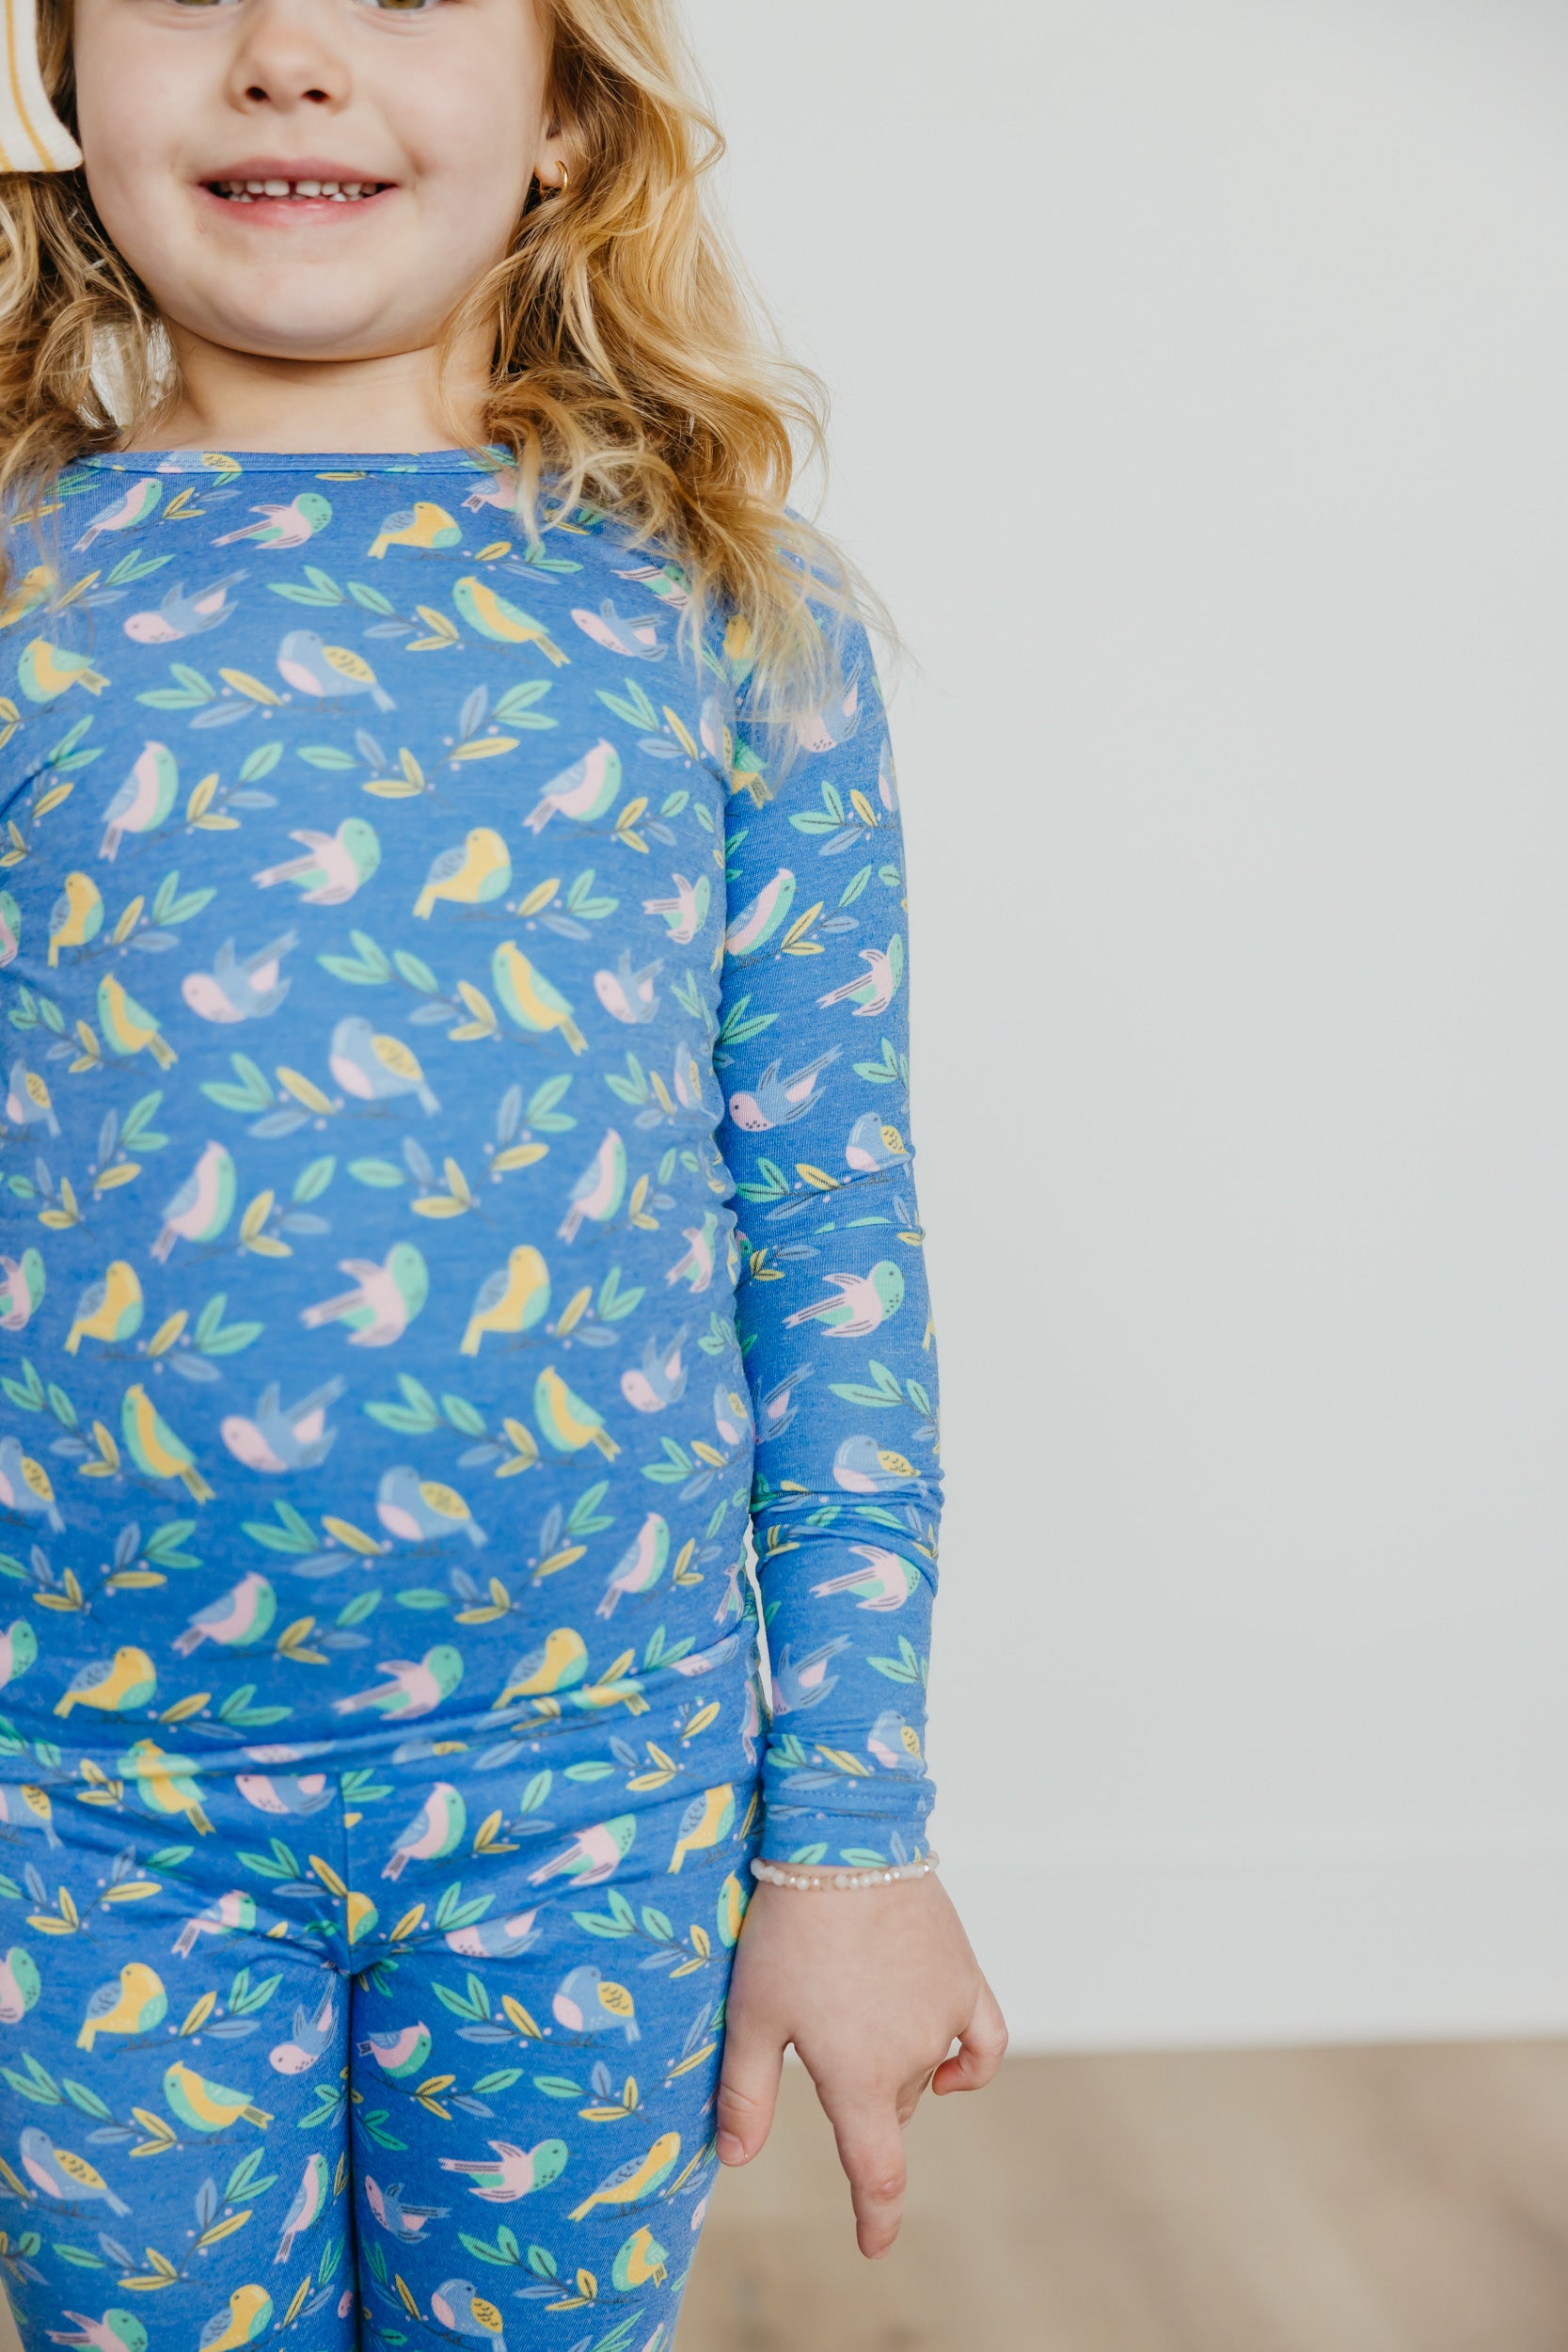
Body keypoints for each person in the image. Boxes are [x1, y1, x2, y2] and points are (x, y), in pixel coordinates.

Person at [0, 0, 1007, 2339]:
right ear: (54, 65)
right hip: (80, 1806)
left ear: (567, 105)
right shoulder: (27, 595)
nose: (286, 53)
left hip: (595, 1803)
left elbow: (829, 1236)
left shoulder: (728, 613)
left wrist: (852, 1840)